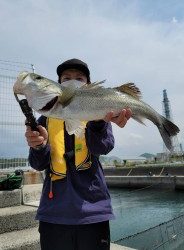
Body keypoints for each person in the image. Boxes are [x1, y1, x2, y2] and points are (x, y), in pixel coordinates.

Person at [25, 58, 132, 250]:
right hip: (54, 213)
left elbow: (103, 147)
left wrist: (98, 122)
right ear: (58, 85)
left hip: (93, 211)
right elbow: (38, 164)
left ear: (89, 85)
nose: (72, 81)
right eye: (66, 78)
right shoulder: (44, 117)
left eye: (79, 78)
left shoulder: (100, 114)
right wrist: (38, 146)